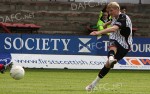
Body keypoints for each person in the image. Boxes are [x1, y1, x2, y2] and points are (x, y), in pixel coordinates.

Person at [85, 2, 132, 91]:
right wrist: (107, 23)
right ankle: (93, 85)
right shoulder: (115, 16)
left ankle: (111, 58)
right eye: (108, 11)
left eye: (111, 11)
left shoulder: (124, 18)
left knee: (107, 65)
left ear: (118, 9)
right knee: (112, 43)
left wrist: (97, 32)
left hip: (125, 45)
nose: (109, 13)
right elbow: (113, 21)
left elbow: (114, 28)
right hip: (116, 39)